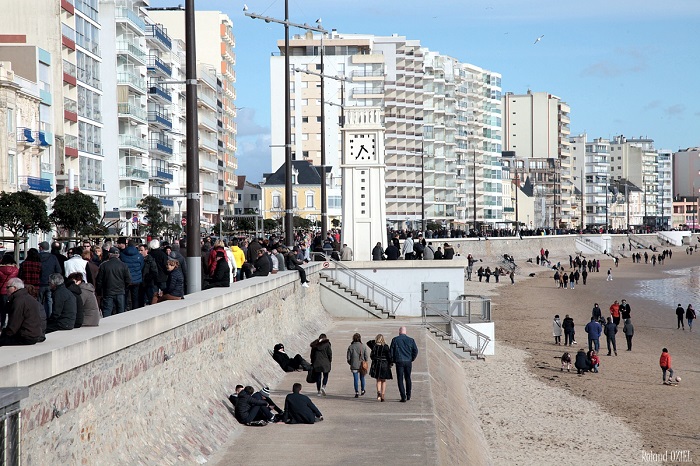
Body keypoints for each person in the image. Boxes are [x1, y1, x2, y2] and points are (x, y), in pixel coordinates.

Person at [0, 278, 45, 346]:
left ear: (14, 288)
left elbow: (13, 325)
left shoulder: (18, 301)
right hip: (34, 334)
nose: (6, 290)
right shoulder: (27, 297)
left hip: (25, 337)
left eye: (7, 287)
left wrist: (3, 333)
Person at [390, 326, 418, 402]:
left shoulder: (395, 340)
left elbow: (391, 352)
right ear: (406, 332)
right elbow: (415, 350)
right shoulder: (411, 340)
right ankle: (408, 395)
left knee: (400, 379)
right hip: (408, 361)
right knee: (408, 377)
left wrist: (392, 360)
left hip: (399, 361)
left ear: (399, 332)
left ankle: (403, 396)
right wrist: (412, 358)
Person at [39, 241, 62, 319]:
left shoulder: (37, 257)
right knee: (49, 301)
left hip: (40, 282)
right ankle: (49, 317)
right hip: (50, 283)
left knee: (39, 301)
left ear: (41, 248)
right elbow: (58, 270)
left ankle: (40, 317)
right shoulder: (53, 257)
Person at [367, 334, 392, 402]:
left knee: (378, 380)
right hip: (384, 364)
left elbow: (368, 343)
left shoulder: (375, 346)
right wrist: (390, 363)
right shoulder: (386, 347)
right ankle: (383, 395)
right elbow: (389, 356)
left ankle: (378, 392)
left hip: (377, 364)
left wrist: (375, 341)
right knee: (383, 380)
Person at [346, 333, 369, 398]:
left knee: (355, 379)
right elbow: (366, 357)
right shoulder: (363, 346)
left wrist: (351, 363)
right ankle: (362, 390)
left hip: (354, 365)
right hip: (362, 365)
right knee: (362, 378)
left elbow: (348, 358)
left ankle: (356, 392)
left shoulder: (351, 346)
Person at [0, 255, 19, 329]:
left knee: (2, 310)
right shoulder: (16, 269)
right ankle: (11, 324)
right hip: (12, 291)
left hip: (2, 291)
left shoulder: (0, 269)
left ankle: (2, 324)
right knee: (12, 308)